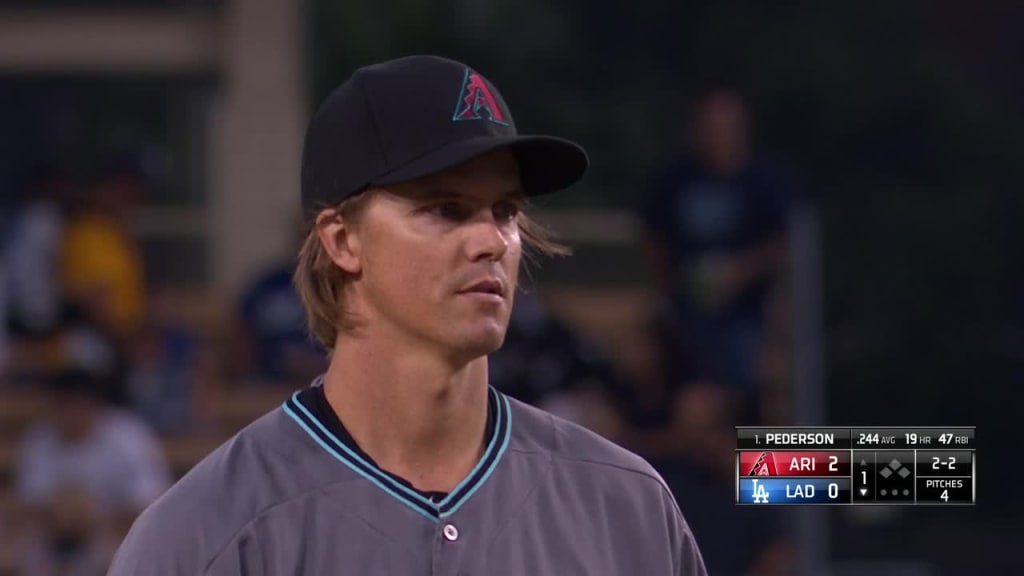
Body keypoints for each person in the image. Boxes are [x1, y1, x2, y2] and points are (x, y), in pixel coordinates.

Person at [108, 55, 706, 575]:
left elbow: (786, 468)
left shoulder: (627, 506)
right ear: (343, 241)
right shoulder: (206, 533)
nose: (492, 241)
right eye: (447, 209)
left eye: (504, 210)